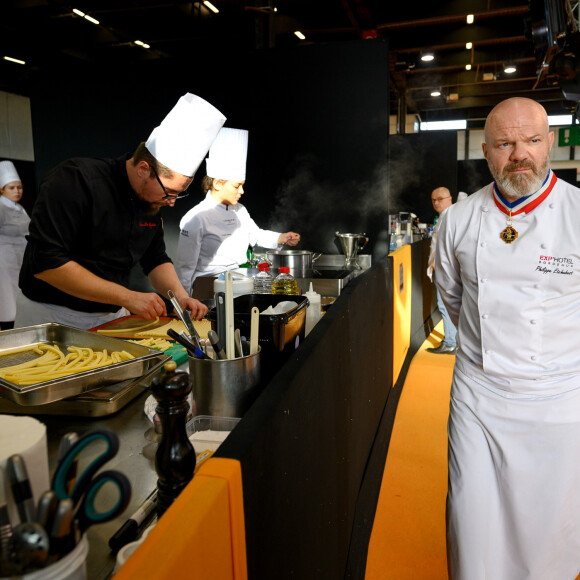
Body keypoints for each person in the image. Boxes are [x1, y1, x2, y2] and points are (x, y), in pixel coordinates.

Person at [436, 97, 580, 579]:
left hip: (561, 402)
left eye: (533, 141)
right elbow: (452, 300)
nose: (520, 154)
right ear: (485, 150)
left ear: (552, 143)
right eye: (505, 144)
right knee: (471, 527)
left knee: (550, 540)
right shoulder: (457, 220)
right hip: (479, 398)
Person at [15, 93, 226, 329]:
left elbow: (154, 259)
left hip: (111, 316)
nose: (172, 202)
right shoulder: (75, 180)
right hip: (50, 317)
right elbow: (46, 264)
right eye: (169, 192)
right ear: (144, 169)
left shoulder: (152, 201)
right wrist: (127, 297)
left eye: (179, 193)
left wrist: (179, 296)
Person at [175, 127, 300, 299]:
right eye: (236, 186)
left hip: (241, 281)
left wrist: (282, 237)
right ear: (218, 184)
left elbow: (255, 235)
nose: (242, 191)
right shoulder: (195, 218)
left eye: (242, 185)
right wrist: (184, 302)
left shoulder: (240, 210)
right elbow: (185, 268)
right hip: (209, 288)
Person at [426, 186, 457, 354]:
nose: (436, 203)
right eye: (433, 200)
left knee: (445, 305)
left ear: (449, 198)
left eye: (440, 199)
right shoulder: (445, 216)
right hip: (444, 267)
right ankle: (453, 340)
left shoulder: (450, 217)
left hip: (446, 269)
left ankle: (450, 342)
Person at [0, 161, 30, 330]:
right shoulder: (1, 207)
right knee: (6, 304)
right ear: (1, 189)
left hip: (19, 261)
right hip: (4, 263)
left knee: (17, 302)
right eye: (11, 187)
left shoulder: (20, 209)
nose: (17, 191)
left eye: (19, 187)